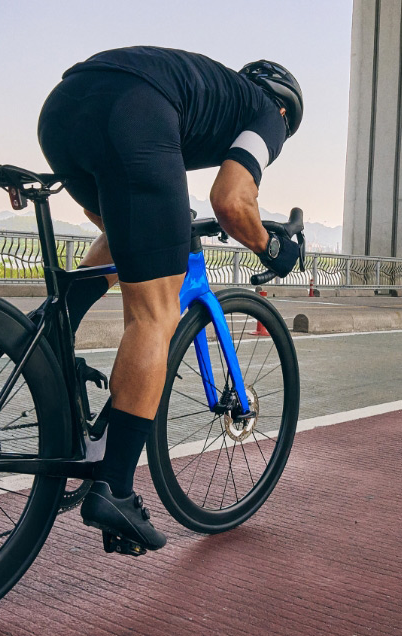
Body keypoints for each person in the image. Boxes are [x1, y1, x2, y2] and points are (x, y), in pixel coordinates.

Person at [37, 46, 303, 553]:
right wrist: (274, 246)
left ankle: (49, 329)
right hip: (133, 111)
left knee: (137, 231)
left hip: (64, 109)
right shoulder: (267, 111)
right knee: (155, 315)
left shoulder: (210, 88)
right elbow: (230, 200)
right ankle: (114, 488)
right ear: (286, 111)